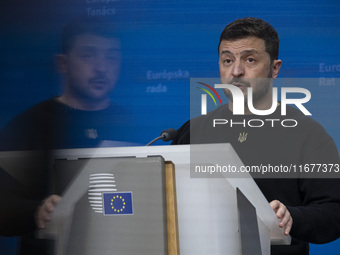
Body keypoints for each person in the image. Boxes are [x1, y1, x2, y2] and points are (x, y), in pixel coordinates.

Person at [171, 17, 340, 255]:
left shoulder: (308, 134)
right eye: (227, 60)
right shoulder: (193, 131)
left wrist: (293, 216)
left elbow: (334, 213)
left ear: (274, 68)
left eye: (250, 60)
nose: (236, 71)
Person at [0, 16, 134, 254]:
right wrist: (36, 210)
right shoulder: (27, 126)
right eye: (88, 55)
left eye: (111, 56)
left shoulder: (133, 125)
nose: (102, 67)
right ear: (62, 63)